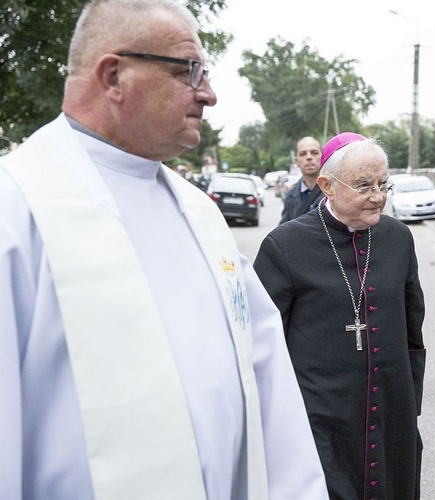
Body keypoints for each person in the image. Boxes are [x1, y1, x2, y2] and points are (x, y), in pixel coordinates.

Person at [0, 1, 328, 498]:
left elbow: (267, 386)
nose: (210, 95)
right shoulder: (16, 212)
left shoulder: (200, 213)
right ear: (114, 76)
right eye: (189, 72)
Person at [254, 132, 426, 499]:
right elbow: (261, 347)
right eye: (364, 185)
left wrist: (410, 404)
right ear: (327, 186)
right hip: (320, 418)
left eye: (383, 184)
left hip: (391, 412)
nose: (378, 196)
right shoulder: (284, 247)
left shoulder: (398, 238)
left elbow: (413, 332)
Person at [279, 136, 325, 224]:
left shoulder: (334, 191)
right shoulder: (291, 195)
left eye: (314, 152)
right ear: (296, 161)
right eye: (303, 154)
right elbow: (284, 230)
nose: (309, 157)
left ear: (322, 157)